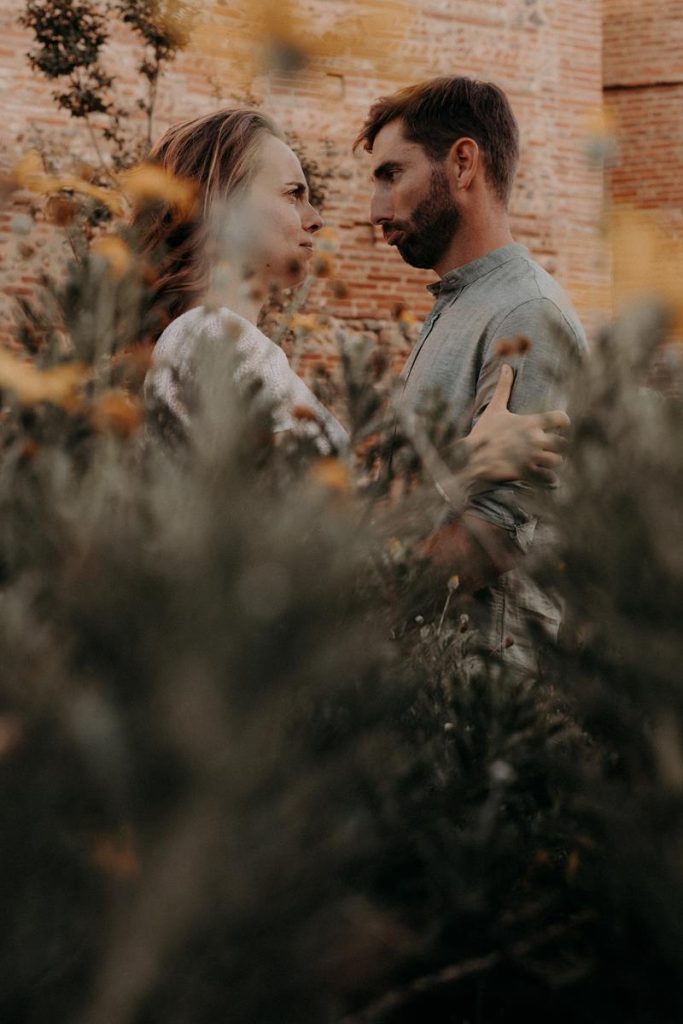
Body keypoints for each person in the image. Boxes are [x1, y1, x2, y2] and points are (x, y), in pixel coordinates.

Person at [137, 108, 569, 487]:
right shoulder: (209, 336)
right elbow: (327, 529)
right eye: (294, 195)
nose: (315, 219)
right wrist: (471, 459)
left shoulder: (213, 339)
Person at [356, 76, 588, 670]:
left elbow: (492, 535)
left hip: (479, 694)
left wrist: (351, 619)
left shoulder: (524, 313)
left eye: (391, 174)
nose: (375, 211)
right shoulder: (460, 304)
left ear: (462, 163)